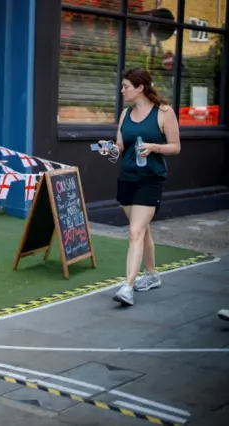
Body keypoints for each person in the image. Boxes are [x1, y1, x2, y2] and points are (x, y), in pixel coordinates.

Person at [100, 68, 181, 306]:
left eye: (125, 86)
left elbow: (175, 147)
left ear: (140, 88)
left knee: (135, 231)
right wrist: (110, 149)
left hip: (151, 179)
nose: (122, 90)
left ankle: (128, 287)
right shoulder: (126, 113)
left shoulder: (164, 112)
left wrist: (154, 147)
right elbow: (120, 145)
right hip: (127, 178)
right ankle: (153, 275)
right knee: (142, 230)